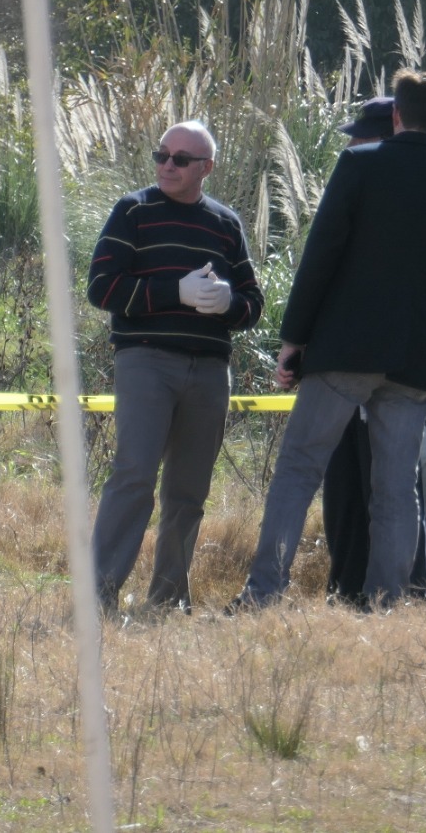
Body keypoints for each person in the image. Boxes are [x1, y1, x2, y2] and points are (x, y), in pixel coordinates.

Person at [236, 70, 426, 609]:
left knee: (299, 470)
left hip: (343, 352)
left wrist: (294, 339)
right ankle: (386, 604)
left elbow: (320, 257)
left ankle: (264, 595)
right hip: (413, 362)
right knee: (396, 491)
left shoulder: (359, 165)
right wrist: (424, 322)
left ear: (395, 115)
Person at [88, 120, 264, 615]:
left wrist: (229, 303)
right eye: (162, 155)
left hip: (209, 368)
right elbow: (101, 288)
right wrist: (173, 293)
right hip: (146, 359)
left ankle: (167, 600)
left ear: (205, 168)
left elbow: (254, 304)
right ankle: (98, 595)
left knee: (189, 490)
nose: (168, 164)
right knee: (134, 476)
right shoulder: (134, 211)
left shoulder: (226, 225)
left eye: (181, 160)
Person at [319, 96, 426, 602]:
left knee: (392, 491)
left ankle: (395, 594)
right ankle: (344, 588)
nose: (353, 144)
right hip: (339, 365)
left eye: (364, 135)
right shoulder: (353, 185)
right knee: (342, 487)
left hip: (396, 371)